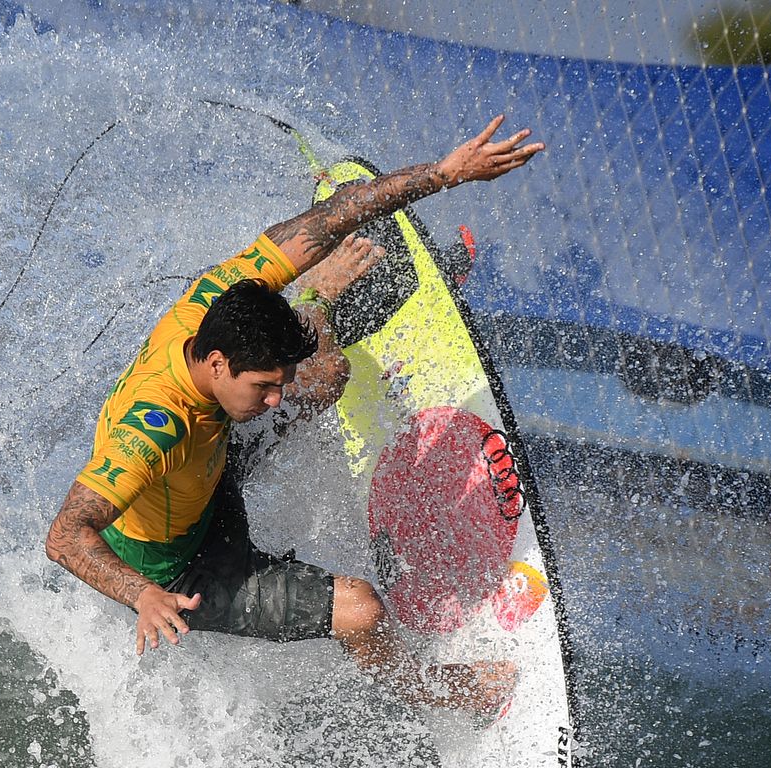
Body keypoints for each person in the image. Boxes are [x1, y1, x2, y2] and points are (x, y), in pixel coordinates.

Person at [44, 117, 544, 713]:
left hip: (204, 470)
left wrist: (445, 173)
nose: (276, 398)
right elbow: (65, 535)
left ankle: (320, 298)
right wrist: (143, 595)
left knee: (322, 379)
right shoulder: (154, 430)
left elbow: (337, 213)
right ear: (221, 362)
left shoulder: (217, 297)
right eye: (263, 385)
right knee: (361, 608)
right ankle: (445, 694)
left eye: (276, 383)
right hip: (181, 569)